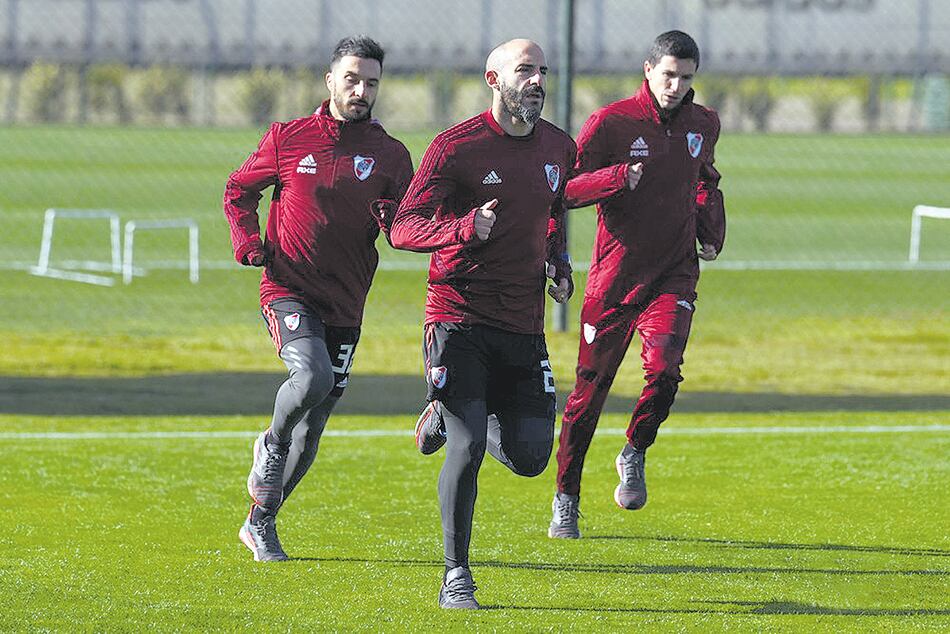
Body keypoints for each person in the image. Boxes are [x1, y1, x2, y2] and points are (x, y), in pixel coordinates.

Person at [389, 39, 575, 608]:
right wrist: (464, 227)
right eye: (525, 70)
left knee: (531, 458)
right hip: (458, 319)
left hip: (523, 324)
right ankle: (456, 577)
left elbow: (553, 210)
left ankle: (450, 414)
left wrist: (558, 262)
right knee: (468, 450)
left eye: (543, 71)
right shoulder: (455, 148)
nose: (538, 80)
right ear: (493, 79)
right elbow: (403, 228)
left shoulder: (560, 148)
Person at [223, 35, 413, 561]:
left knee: (316, 425)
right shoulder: (288, 137)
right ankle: (270, 444)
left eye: (371, 82)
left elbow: (409, 226)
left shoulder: (392, 155)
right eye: (351, 79)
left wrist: (401, 225)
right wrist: (248, 242)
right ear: (330, 80)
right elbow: (239, 189)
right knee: (311, 377)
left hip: (347, 302)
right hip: (288, 287)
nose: (361, 90)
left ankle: (260, 521)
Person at [547, 30, 726, 539]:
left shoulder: (703, 123)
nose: (675, 85)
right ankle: (566, 496)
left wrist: (711, 228)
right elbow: (563, 191)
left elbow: (704, 181)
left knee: (665, 374)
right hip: (614, 280)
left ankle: (634, 449)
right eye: (668, 74)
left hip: (673, 274)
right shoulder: (611, 123)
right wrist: (614, 179)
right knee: (587, 394)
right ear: (648, 69)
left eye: (686, 77)